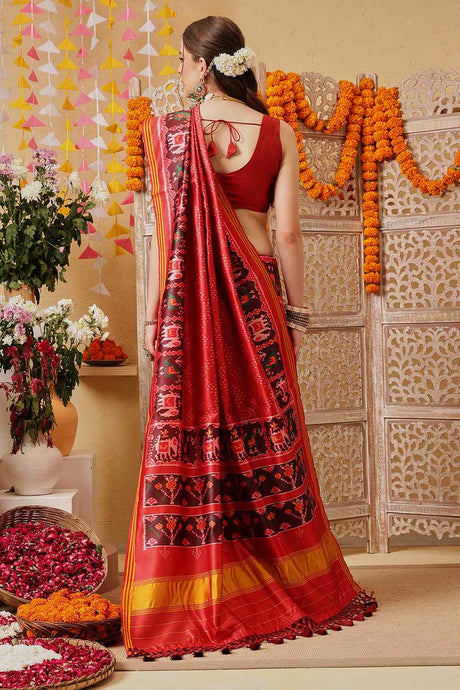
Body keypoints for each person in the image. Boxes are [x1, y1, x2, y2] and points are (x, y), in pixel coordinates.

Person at [121, 15, 378, 661]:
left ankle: (201, 585)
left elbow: (168, 240)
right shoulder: (279, 131)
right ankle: (290, 574)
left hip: (190, 300)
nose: (180, 73)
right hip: (258, 291)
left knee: (198, 427)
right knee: (266, 429)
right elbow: (287, 234)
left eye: (183, 62)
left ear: (203, 66)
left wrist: (155, 318)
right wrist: (296, 313)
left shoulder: (170, 131)